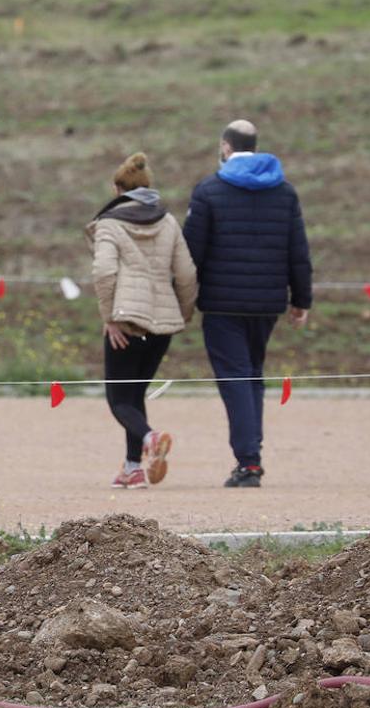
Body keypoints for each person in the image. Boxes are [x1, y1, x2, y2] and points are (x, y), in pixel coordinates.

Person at [183, 120, 312, 488]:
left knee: (236, 378)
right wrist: (300, 299)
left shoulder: (209, 190)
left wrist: (183, 300)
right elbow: (298, 252)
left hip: (221, 304)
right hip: (268, 304)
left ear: (225, 147)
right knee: (253, 376)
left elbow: (191, 253)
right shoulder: (285, 192)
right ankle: (250, 452)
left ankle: (249, 461)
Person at [87, 152, 197, 489]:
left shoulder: (109, 224)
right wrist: (182, 314)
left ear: (117, 188)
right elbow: (187, 274)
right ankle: (133, 467)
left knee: (119, 399)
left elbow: (105, 271)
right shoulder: (168, 222)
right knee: (135, 395)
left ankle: (150, 439)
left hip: (126, 321)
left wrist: (110, 317)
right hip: (161, 325)